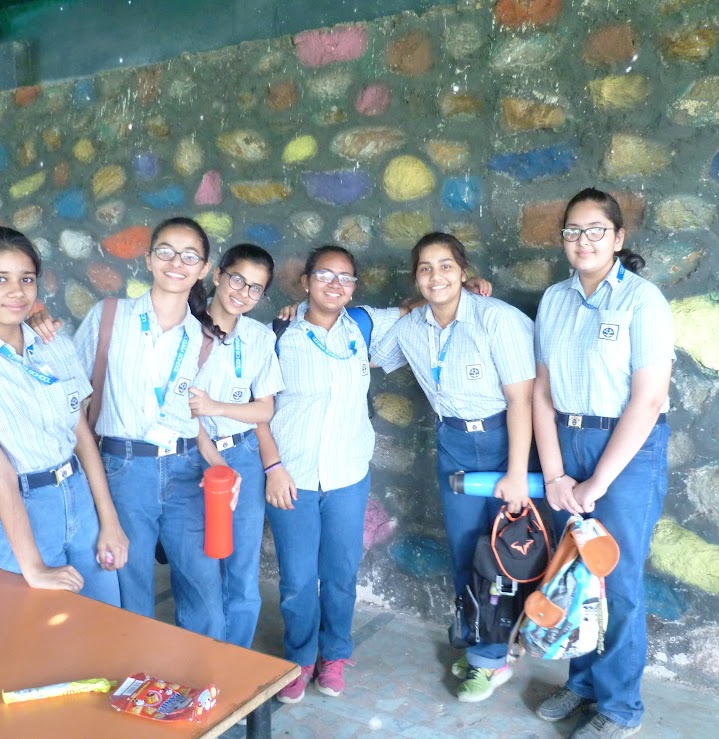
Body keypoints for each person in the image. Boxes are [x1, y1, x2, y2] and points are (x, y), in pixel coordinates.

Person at [29, 216, 237, 639]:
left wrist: (218, 464)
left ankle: (205, 690)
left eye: (190, 255)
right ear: (148, 259)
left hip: (186, 472)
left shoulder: (205, 339)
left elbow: (191, 413)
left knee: (204, 591)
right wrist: (39, 334)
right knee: (130, 590)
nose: (176, 262)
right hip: (122, 469)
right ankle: (136, 685)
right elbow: (70, 384)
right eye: (166, 251)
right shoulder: (110, 316)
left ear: (202, 268)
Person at [370, 232, 536, 703]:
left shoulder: (497, 320)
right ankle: (487, 644)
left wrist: (519, 474)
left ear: (464, 272)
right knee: (467, 550)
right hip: (453, 443)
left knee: (505, 552)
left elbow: (522, 399)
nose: (435, 276)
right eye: (425, 268)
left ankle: (491, 657)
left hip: (505, 440)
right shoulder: (410, 328)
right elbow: (368, 353)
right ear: (416, 278)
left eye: (445, 266)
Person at [532, 188, 673, 739]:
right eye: (572, 231)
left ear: (617, 239)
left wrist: (596, 482)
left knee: (616, 580)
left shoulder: (643, 300)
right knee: (571, 570)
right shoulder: (553, 301)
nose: (582, 241)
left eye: (595, 231)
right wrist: (556, 473)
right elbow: (542, 394)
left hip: (627, 452)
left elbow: (648, 400)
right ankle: (583, 681)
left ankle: (618, 707)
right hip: (566, 444)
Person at [0, 226, 126, 604]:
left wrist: (109, 521)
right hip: (24, 507)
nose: (17, 292)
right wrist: (33, 567)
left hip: (79, 497)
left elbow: (82, 437)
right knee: (38, 636)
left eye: (26, 279)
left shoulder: (54, 345)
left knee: (107, 618)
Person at [256, 245, 407, 704]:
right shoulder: (276, 334)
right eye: (325, 275)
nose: (336, 284)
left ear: (354, 287)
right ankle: (301, 658)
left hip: (346, 475)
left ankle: (335, 654)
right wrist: (272, 467)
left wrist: (470, 288)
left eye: (346, 278)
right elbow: (258, 407)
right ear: (305, 281)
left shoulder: (361, 326)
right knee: (298, 578)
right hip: (292, 476)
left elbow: (414, 309)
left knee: (341, 573)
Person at [187, 243, 284, 649]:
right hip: (192, 455)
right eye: (238, 279)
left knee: (241, 568)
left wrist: (214, 406)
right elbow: (180, 410)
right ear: (218, 276)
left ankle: (236, 661)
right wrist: (208, 423)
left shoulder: (260, 337)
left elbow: (264, 409)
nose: (243, 292)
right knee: (199, 566)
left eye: (256, 289)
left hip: (242, 454)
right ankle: (200, 658)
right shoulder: (185, 328)